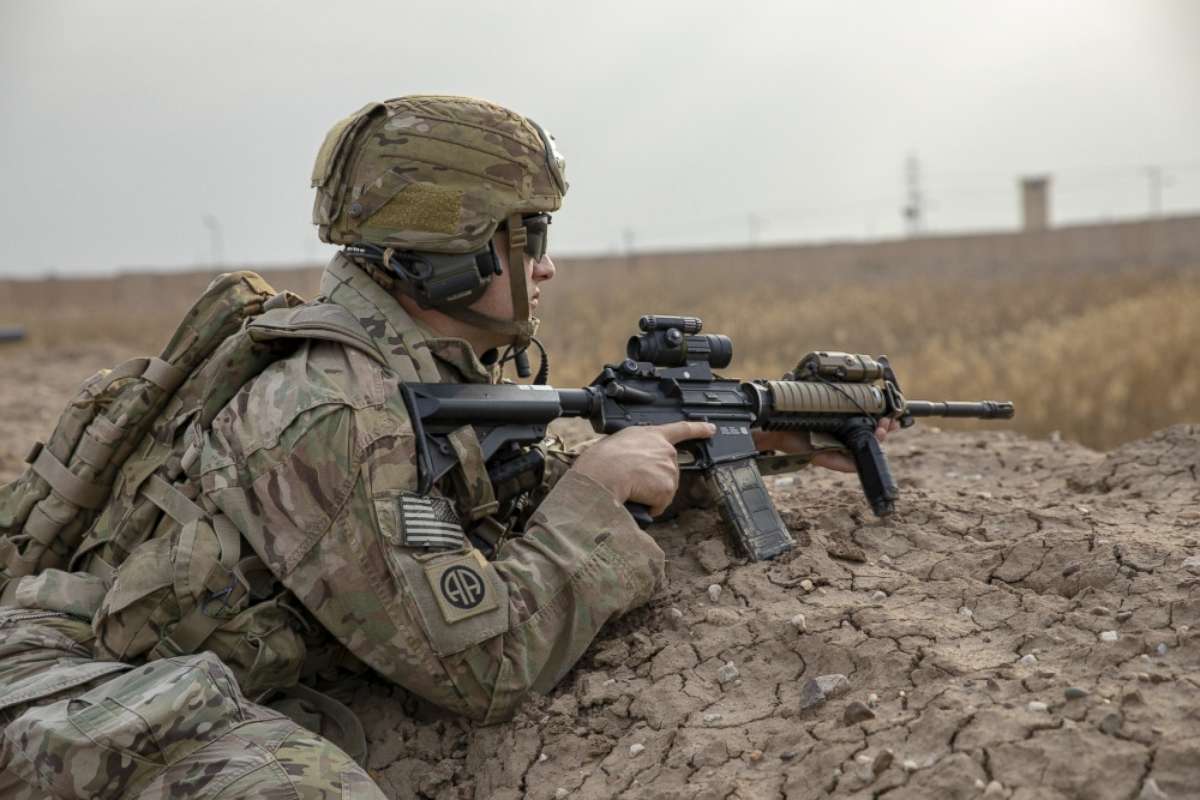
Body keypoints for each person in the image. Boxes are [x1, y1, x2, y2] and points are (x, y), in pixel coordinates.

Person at [0, 95, 895, 798]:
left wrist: (748, 442)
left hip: (150, 667)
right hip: (77, 687)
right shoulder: (333, 408)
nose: (545, 265)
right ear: (454, 256)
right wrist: (588, 506)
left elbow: (475, 504)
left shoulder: (397, 367)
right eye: (528, 235)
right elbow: (480, 668)